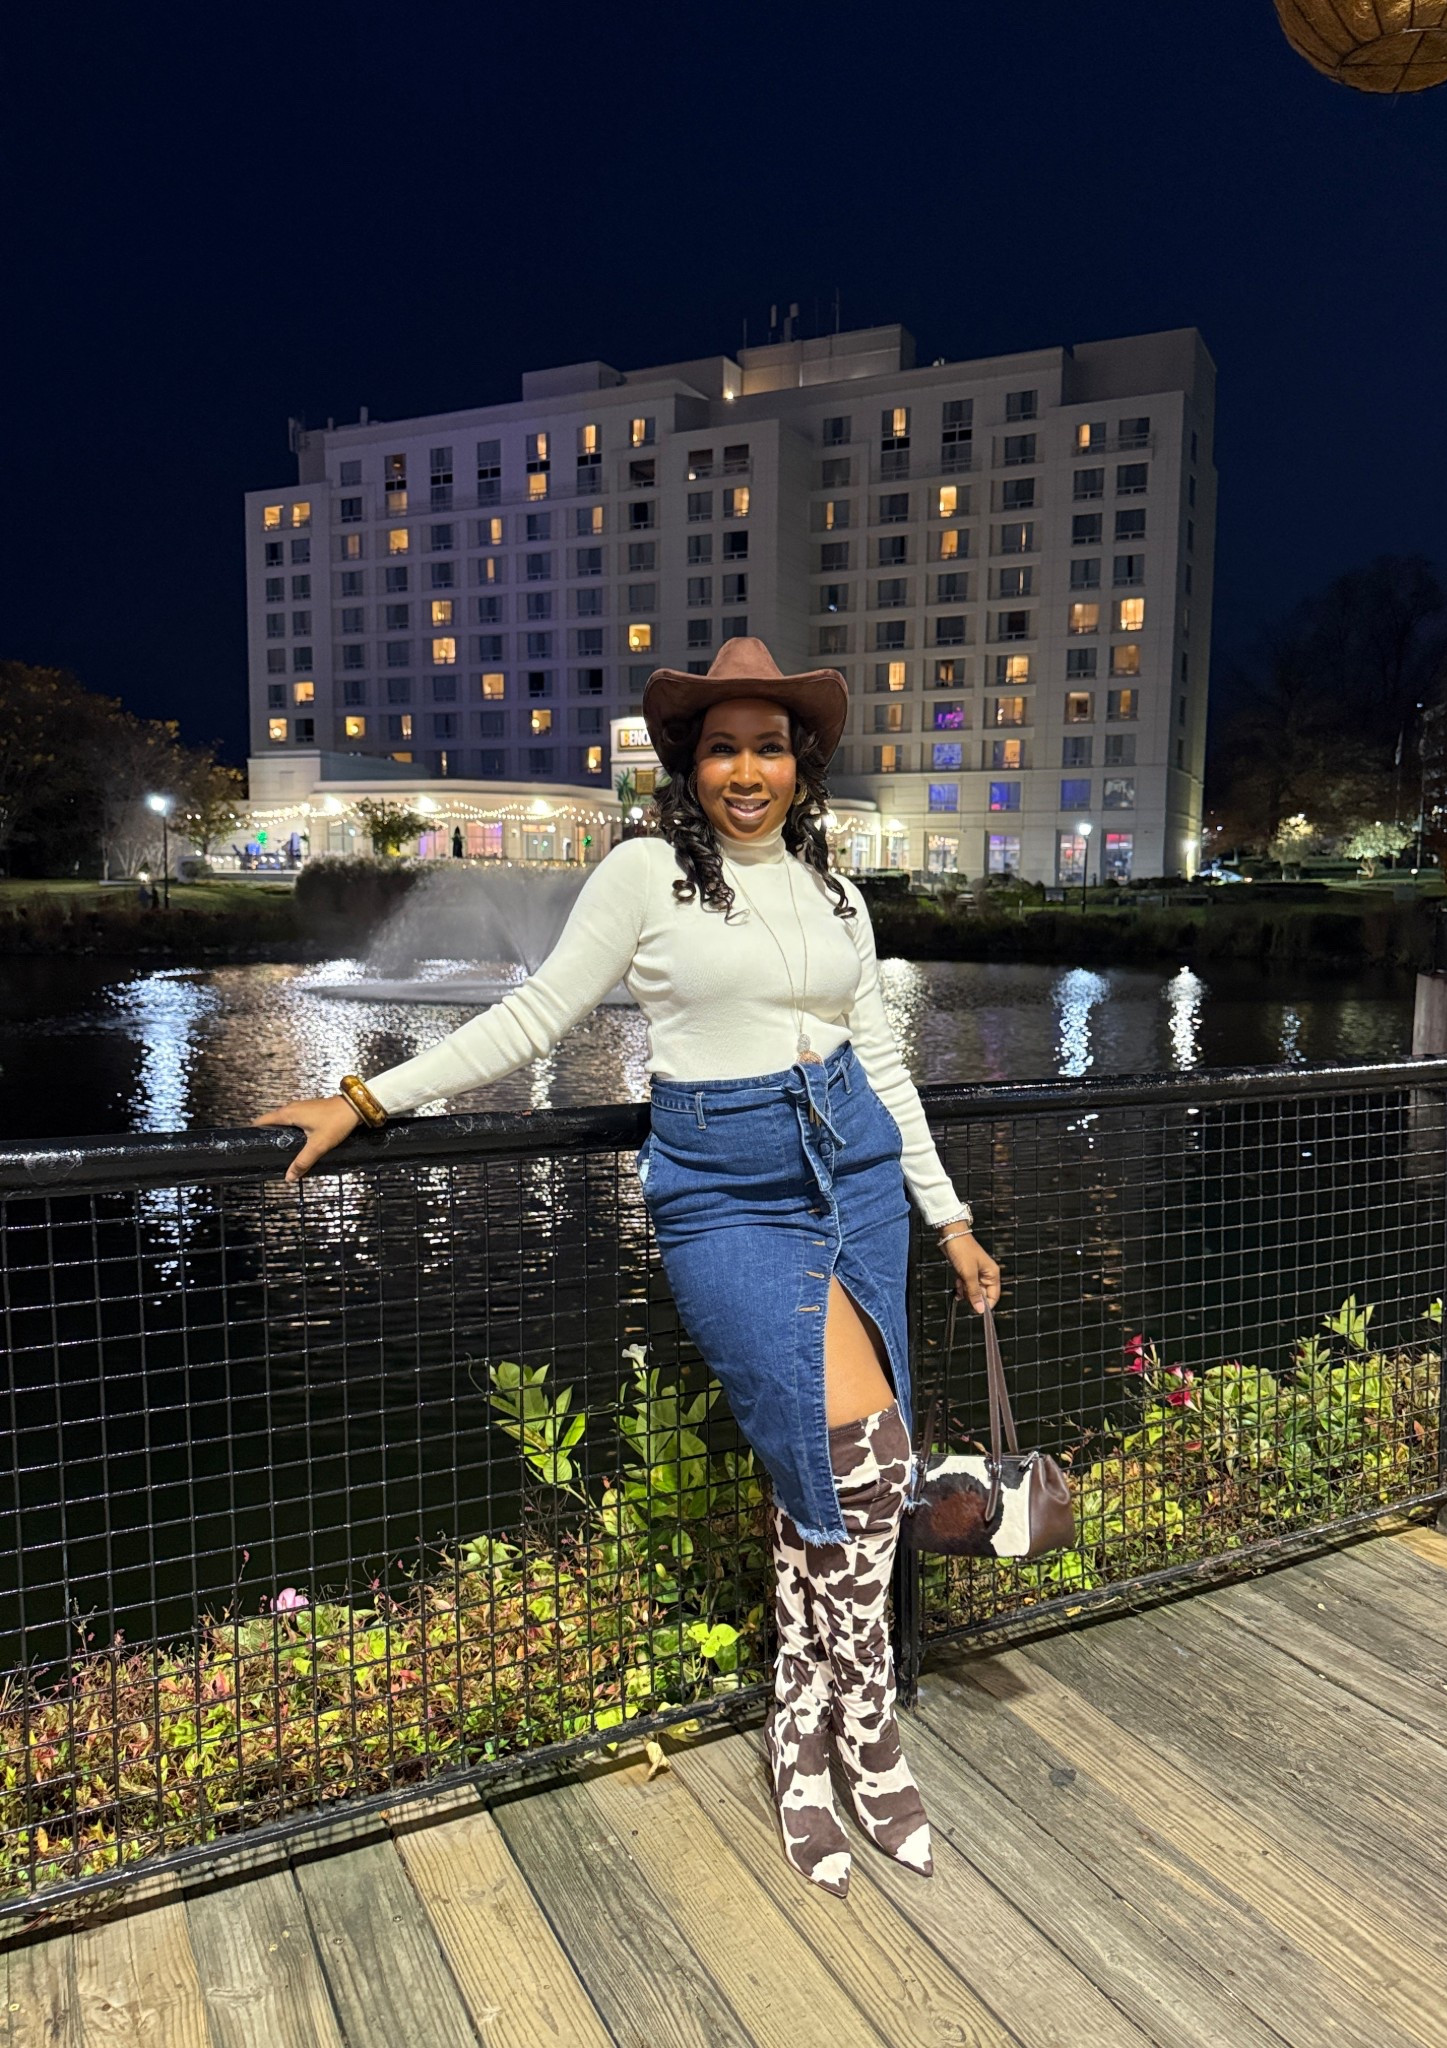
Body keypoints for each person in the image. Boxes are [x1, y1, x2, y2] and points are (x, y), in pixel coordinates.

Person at [254, 636, 1001, 1897]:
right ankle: (860, 1729)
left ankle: (805, 1727)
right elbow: (533, 1015)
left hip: (858, 1178)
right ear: (690, 764)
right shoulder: (647, 873)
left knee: (822, 1463)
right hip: (725, 1191)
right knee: (861, 1458)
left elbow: (881, 1059)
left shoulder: (835, 896)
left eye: (770, 745)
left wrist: (951, 1216)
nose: (748, 768)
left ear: (802, 763)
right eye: (724, 746)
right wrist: (362, 1096)